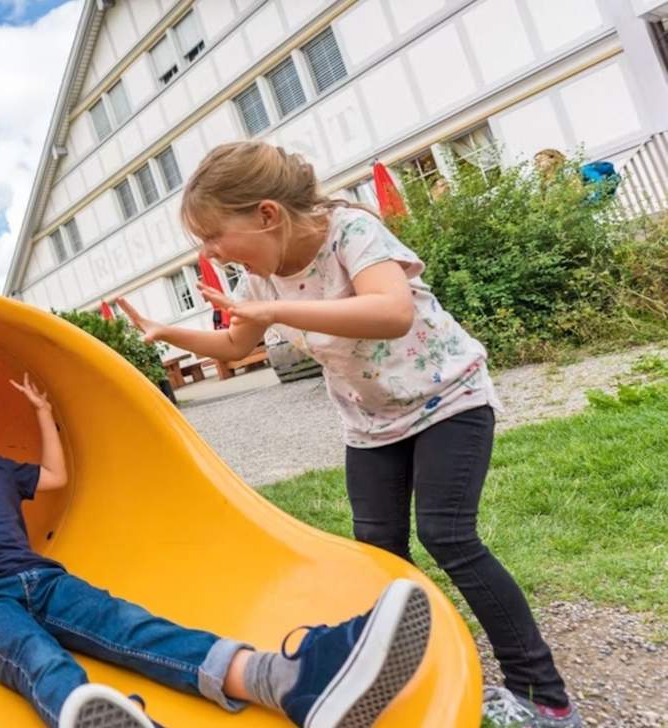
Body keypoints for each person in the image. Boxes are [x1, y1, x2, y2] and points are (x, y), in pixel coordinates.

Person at [117, 141, 581, 728]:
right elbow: (237, 345)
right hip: (371, 425)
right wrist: (168, 332)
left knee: (448, 536)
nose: (208, 253)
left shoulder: (351, 232)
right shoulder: (262, 281)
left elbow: (391, 311)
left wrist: (278, 315)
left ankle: (544, 696)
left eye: (213, 236)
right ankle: (392, 671)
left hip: (447, 398)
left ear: (267, 215)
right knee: (376, 556)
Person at [0, 370, 432, 728]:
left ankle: (288, 680)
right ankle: (97, 720)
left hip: (42, 577)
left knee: (134, 627)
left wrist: (44, 414)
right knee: (34, 657)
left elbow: (55, 480)